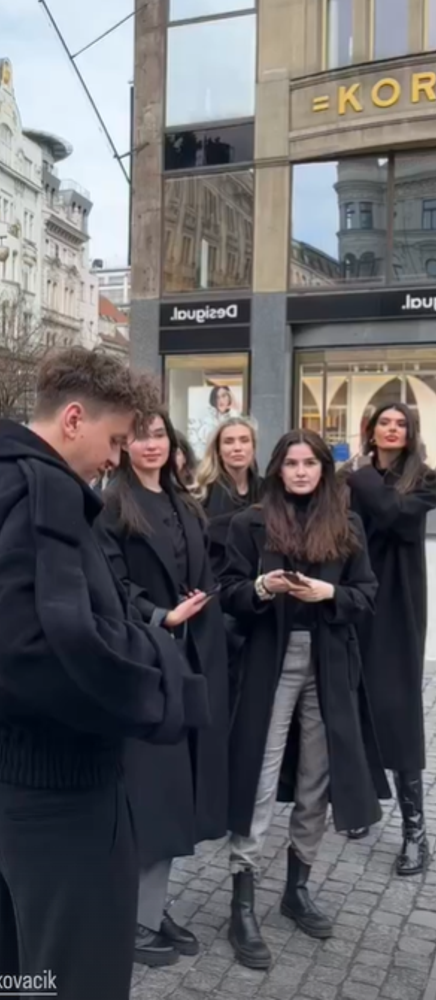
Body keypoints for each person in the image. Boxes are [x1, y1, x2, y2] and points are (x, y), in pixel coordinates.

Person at [0, 348, 210, 1000]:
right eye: (117, 438)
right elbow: (42, 646)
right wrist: (167, 684)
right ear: (73, 418)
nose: (117, 457)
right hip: (58, 797)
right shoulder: (42, 493)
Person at [220, 430, 385, 971]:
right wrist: (265, 588)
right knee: (259, 776)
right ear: (277, 469)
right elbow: (231, 595)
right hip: (271, 660)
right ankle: (242, 900)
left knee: (317, 777)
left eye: (308, 462)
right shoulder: (251, 523)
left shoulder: (347, 524)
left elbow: (366, 595)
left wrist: (329, 593)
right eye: (290, 463)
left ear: (322, 469)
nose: (299, 471)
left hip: (330, 663)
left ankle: (298, 886)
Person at [101, 409, 227, 968]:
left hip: (192, 658)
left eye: (159, 436)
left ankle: (151, 906)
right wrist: (159, 616)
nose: (151, 445)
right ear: (123, 446)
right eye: (139, 437)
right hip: (146, 660)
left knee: (178, 794)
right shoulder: (111, 507)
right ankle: (130, 919)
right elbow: (110, 585)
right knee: (151, 796)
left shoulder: (185, 504)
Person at [344, 403, 436, 871]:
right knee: (356, 697)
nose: (392, 429)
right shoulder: (352, 478)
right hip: (358, 594)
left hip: (399, 603)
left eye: (400, 424)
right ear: (372, 430)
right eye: (385, 422)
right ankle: (362, 804)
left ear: (410, 432)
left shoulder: (424, 478)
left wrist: (359, 476)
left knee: (398, 708)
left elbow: (395, 515)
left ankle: (415, 831)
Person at [196, 417, 262, 710]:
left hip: (262, 600)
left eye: (244, 440)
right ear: (218, 450)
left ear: (253, 447)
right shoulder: (204, 493)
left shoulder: (268, 490)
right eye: (229, 441)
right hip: (220, 604)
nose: (237, 448)